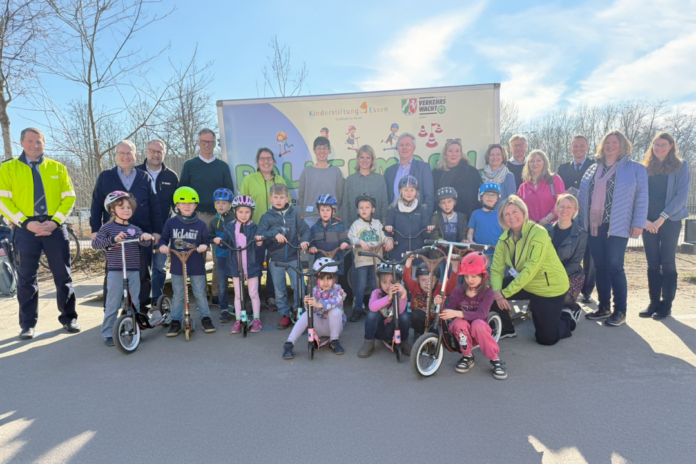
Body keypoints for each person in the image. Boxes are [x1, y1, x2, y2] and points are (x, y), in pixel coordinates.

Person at [0, 128, 79, 340]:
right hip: (26, 230)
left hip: (54, 228)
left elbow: (69, 197)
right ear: (21, 142)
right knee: (27, 279)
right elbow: (3, 201)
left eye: (40, 141)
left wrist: (55, 222)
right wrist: (25, 223)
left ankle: (69, 318)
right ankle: (27, 325)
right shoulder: (8, 169)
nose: (36, 145)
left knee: (63, 276)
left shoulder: (58, 168)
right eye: (31, 141)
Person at [578, 130, 648, 326]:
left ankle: (620, 311)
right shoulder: (593, 168)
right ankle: (604, 307)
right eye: (607, 142)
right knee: (600, 267)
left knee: (615, 267)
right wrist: (581, 222)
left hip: (618, 225)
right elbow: (584, 198)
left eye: (614, 142)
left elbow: (642, 198)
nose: (610, 145)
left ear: (622, 145)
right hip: (594, 226)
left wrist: (638, 222)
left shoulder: (635, 169)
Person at [490, 196, 579, 345]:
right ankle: (506, 328)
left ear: (523, 212)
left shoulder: (539, 233)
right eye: (507, 214)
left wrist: (503, 294)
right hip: (526, 284)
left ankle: (568, 315)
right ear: (502, 218)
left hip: (549, 287)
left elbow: (530, 269)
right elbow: (496, 269)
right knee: (490, 293)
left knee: (546, 339)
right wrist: (497, 293)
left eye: (514, 211)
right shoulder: (504, 239)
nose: (511, 217)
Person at [90, 140, 162, 310]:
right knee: (113, 273)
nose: (125, 156)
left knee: (142, 273)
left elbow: (154, 206)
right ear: (116, 155)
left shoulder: (145, 177)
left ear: (136, 155)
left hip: (141, 235)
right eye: (121, 153)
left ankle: (140, 310)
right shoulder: (106, 177)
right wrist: (95, 230)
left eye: (129, 153)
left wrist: (157, 231)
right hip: (115, 236)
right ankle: (110, 310)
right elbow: (96, 204)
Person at [178, 128, 234, 306]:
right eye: (204, 141)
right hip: (197, 218)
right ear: (198, 143)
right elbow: (182, 191)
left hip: (219, 218)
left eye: (210, 142)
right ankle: (200, 292)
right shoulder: (190, 165)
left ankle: (217, 292)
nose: (207, 145)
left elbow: (230, 191)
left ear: (215, 143)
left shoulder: (222, 166)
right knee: (197, 256)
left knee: (220, 257)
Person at [639, 132, 690, 320]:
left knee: (667, 262)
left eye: (663, 144)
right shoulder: (644, 168)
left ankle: (666, 304)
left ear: (671, 146)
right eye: (656, 144)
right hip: (647, 222)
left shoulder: (681, 166)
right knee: (652, 262)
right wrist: (643, 219)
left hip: (670, 220)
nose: (659, 147)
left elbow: (681, 196)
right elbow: (637, 194)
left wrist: (662, 218)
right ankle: (653, 302)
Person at [92, 191, 153, 346]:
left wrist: (146, 237)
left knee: (134, 302)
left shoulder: (135, 228)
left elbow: (144, 243)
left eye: (129, 207)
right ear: (112, 210)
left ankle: (135, 329)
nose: (126, 210)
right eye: (121, 207)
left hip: (133, 269)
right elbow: (96, 244)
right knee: (113, 302)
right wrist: (113, 239)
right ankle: (107, 332)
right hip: (116, 270)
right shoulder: (108, 228)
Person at [159, 187, 215, 336]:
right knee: (178, 294)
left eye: (191, 203)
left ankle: (206, 318)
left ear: (196, 205)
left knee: (200, 293)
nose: (187, 206)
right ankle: (176, 321)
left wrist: (204, 246)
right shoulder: (171, 223)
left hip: (196, 265)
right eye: (183, 203)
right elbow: (164, 237)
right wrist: (163, 245)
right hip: (178, 265)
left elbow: (206, 241)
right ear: (177, 205)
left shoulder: (201, 224)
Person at [442, 252, 507, 380]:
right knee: (458, 323)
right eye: (466, 276)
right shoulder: (458, 291)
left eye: (474, 276)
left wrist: (457, 313)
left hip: (479, 332)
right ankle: (467, 356)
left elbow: (481, 314)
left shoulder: (488, 293)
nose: (469, 280)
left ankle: (495, 359)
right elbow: (449, 311)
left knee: (477, 323)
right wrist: (440, 304)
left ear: (483, 276)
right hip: (462, 334)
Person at [256, 183, 311, 330]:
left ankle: (297, 309)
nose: (279, 200)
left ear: (287, 198)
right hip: (276, 260)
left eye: (282, 197)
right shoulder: (266, 217)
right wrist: (274, 233)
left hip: (293, 257)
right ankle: (284, 314)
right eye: (276, 197)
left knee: (299, 287)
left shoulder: (293, 214)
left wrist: (305, 239)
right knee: (279, 291)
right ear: (270, 198)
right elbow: (260, 234)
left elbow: (305, 229)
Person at [239, 147, 288, 312]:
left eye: (269, 158)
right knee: (256, 264)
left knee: (273, 263)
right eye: (262, 158)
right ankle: (255, 297)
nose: (266, 161)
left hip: (276, 231)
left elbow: (285, 204)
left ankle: (271, 297)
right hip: (255, 230)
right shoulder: (249, 180)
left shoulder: (280, 179)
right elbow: (242, 204)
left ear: (274, 161)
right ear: (257, 161)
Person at [137, 139, 178, 307]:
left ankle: (157, 299)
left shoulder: (171, 176)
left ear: (164, 154)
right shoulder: (136, 172)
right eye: (153, 151)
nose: (156, 154)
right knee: (141, 268)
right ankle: (142, 300)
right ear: (145, 152)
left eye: (159, 152)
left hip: (162, 231)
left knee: (159, 267)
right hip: (140, 230)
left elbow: (177, 205)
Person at [555, 135, 596, 303]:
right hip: (568, 214)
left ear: (587, 147)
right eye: (575, 146)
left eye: (581, 146)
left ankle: (587, 289)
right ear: (571, 149)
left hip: (588, 214)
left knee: (589, 253)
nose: (578, 149)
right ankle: (566, 284)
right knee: (570, 250)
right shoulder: (563, 168)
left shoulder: (594, 166)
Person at [282, 257, 347, 359]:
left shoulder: (338, 290)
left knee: (335, 311)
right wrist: (308, 304)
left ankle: (334, 341)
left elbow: (335, 301)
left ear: (334, 278)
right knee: (306, 315)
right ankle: (289, 343)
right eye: (322, 278)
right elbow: (311, 311)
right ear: (317, 279)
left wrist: (319, 304)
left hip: (335, 328)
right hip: (319, 326)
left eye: (329, 278)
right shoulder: (314, 290)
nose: (325, 282)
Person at [220, 195, 266, 334]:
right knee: (238, 294)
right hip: (236, 265)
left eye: (247, 212)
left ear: (251, 212)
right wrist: (220, 241)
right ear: (235, 211)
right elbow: (225, 243)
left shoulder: (254, 227)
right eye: (241, 212)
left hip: (251, 265)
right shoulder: (230, 226)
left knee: (253, 293)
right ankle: (239, 320)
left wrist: (259, 243)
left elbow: (259, 250)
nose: (244, 215)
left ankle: (256, 319)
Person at [347, 194, 394, 322]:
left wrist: (389, 240)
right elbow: (350, 237)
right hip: (362, 261)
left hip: (376, 260)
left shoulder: (377, 223)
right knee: (361, 285)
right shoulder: (356, 225)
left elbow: (384, 236)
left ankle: (377, 307)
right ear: (357, 210)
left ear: (373, 209)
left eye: (367, 207)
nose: (364, 210)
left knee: (376, 284)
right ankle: (358, 308)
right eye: (361, 207)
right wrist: (359, 242)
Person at [358, 263, 411, 358]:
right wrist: (388, 298)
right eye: (384, 282)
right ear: (379, 282)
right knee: (371, 314)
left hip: (394, 330)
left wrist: (403, 296)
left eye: (392, 282)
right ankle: (368, 342)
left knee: (405, 316)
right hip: (379, 329)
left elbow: (400, 312)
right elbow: (372, 307)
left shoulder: (400, 294)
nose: (388, 286)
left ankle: (403, 341)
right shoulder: (376, 293)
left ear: (398, 282)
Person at [545, 194, 588, 311]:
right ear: (556, 208)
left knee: (561, 298)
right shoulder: (545, 231)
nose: (565, 210)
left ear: (575, 210)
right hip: (548, 273)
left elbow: (575, 262)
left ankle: (575, 309)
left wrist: (557, 277)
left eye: (569, 207)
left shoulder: (581, 235)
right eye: (562, 206)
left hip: (571, 274)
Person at [403, 255, 458, 342]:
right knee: (416, 315)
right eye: (423, 280)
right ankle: (418, 334)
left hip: (434, 319)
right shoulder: (414, 286)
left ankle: (433, 339)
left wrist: (455, 266)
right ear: (418, 280)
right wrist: (409, 260)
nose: (427, 283)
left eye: (431, 280)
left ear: (437, 280)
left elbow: (451, 286)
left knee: (436, 331)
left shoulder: (440, 288)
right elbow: (406, 278)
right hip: (419, 317)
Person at [385, 175, 430, 269]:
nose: (408, 193)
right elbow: (388, 229)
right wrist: (389, 237)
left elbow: (426, 232)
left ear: (416, 192)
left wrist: (429, 230)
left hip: (417, 254)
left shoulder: (422, 210)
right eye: (406, 190)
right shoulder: (393, 209)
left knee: (414, 280)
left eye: (412, 190)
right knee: (398, 279)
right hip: (399, 254)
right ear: (400, 191)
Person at [298, 136, 344, 227]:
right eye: (319, 148)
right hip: (311, 218)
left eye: (324, 148)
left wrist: (330, 212)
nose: (322, 151)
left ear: (329, 151)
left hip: (332, 219)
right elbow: (301, 196)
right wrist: (310, 211)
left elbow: (340, 196)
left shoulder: (336, 171)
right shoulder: (306, 172)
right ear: (314, 150)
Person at [384, 133, 435, 215]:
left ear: (414, 148)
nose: (404, 148)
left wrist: (426, 220)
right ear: (397, 148)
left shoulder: (423, 168)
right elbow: (385, 199)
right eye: (401, 145)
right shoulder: (389, 171)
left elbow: (429, 197)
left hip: (416, 219)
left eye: (408, 145)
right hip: (393, 219)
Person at [431, 138, 481, 219]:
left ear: (461, 154)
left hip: (466, 220)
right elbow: (432, 199)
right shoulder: (436, 173)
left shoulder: (472, 172)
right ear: (444, 154)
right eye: (450, 151)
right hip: (442, 221)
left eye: (457, 151)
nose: (453, 154)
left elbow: (477, 199)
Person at [341, 145, 388, 224]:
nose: (365, 160)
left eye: (368, 157)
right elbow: (345, 205)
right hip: (355, 227)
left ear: (372, 160)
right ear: (358, 159)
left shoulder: (380, 179)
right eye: (362, 157)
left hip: (377, 226)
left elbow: (384, 202)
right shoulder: (350, 180)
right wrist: (346, 227)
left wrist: (384, 221)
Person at [208, 188, 235, 323]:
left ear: (230, 204)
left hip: (235, 257)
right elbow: (209, 236)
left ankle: (239, 305)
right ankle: (224, 308)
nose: (221, 206)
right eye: (218, 203)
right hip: (221, 257)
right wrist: (214, 239)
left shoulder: (235, 219)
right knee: (222, 284)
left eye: (224, 203)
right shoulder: (213, 221)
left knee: (237, 283)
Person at [517, 150, 566, 225]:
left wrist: (547, 219)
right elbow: (519, 208)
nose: (535, 164)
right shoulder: (523, 187)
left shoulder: (554, 180)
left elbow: (562, 202)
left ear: (544, 162)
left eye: (538, 160)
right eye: (532, 161)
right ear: (528, 164)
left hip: (552, 227)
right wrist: (528, 220)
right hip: (531, 228)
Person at [308, 194, 351, 276]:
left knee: (334, 284)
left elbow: (344, 237)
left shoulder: (339, 225)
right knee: (321, 284)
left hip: (335, 261)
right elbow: (311, 241)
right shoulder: (315, 228)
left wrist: (344, 242)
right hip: (320, 264)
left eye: (327, 210)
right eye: (322, 210)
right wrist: (311, 247)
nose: (325, 213)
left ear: (333, 211)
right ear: (318, 211)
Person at [467, 183, 504, 257]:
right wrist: (471, 242)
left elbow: (506, 234)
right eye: (487, 195)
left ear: (497, 199)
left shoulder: (501, 214)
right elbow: (470, 233)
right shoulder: (475, 214)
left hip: (497, 253)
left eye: (493, 195)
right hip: (479, 253)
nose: (490, 197)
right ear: (481, 197)